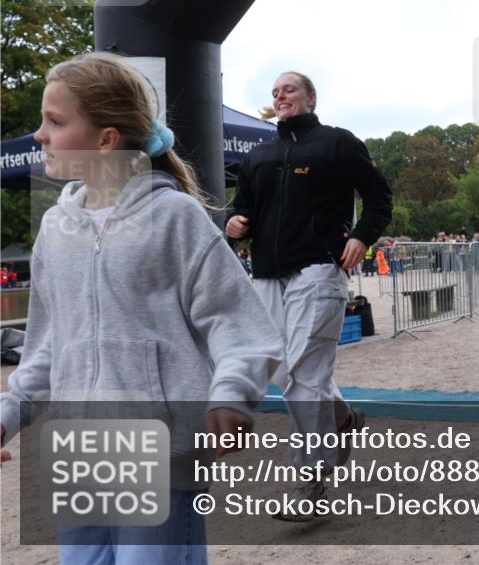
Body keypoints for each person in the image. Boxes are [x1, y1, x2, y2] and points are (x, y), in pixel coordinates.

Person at [0, 52, 282, 561]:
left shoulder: (176, 217)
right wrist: (7, 415)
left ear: (106, 140)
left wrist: (231, 392)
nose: (40, 134)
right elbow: (45, 347)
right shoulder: (55, 229)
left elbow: (238, 323)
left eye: (55, 122)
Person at [226, 71, 392, 519]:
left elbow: (379, 195)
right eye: (275, 92)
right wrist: (234, 223)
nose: (281, 96)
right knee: (285, 370)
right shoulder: (258, 155)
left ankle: (312, 483)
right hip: (268, 273)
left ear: (310, 97)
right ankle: (341, 419)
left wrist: (362, 236)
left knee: (303, 372)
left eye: (290, 89)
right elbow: (243, 209)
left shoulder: (337, 143)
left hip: (319, 268)